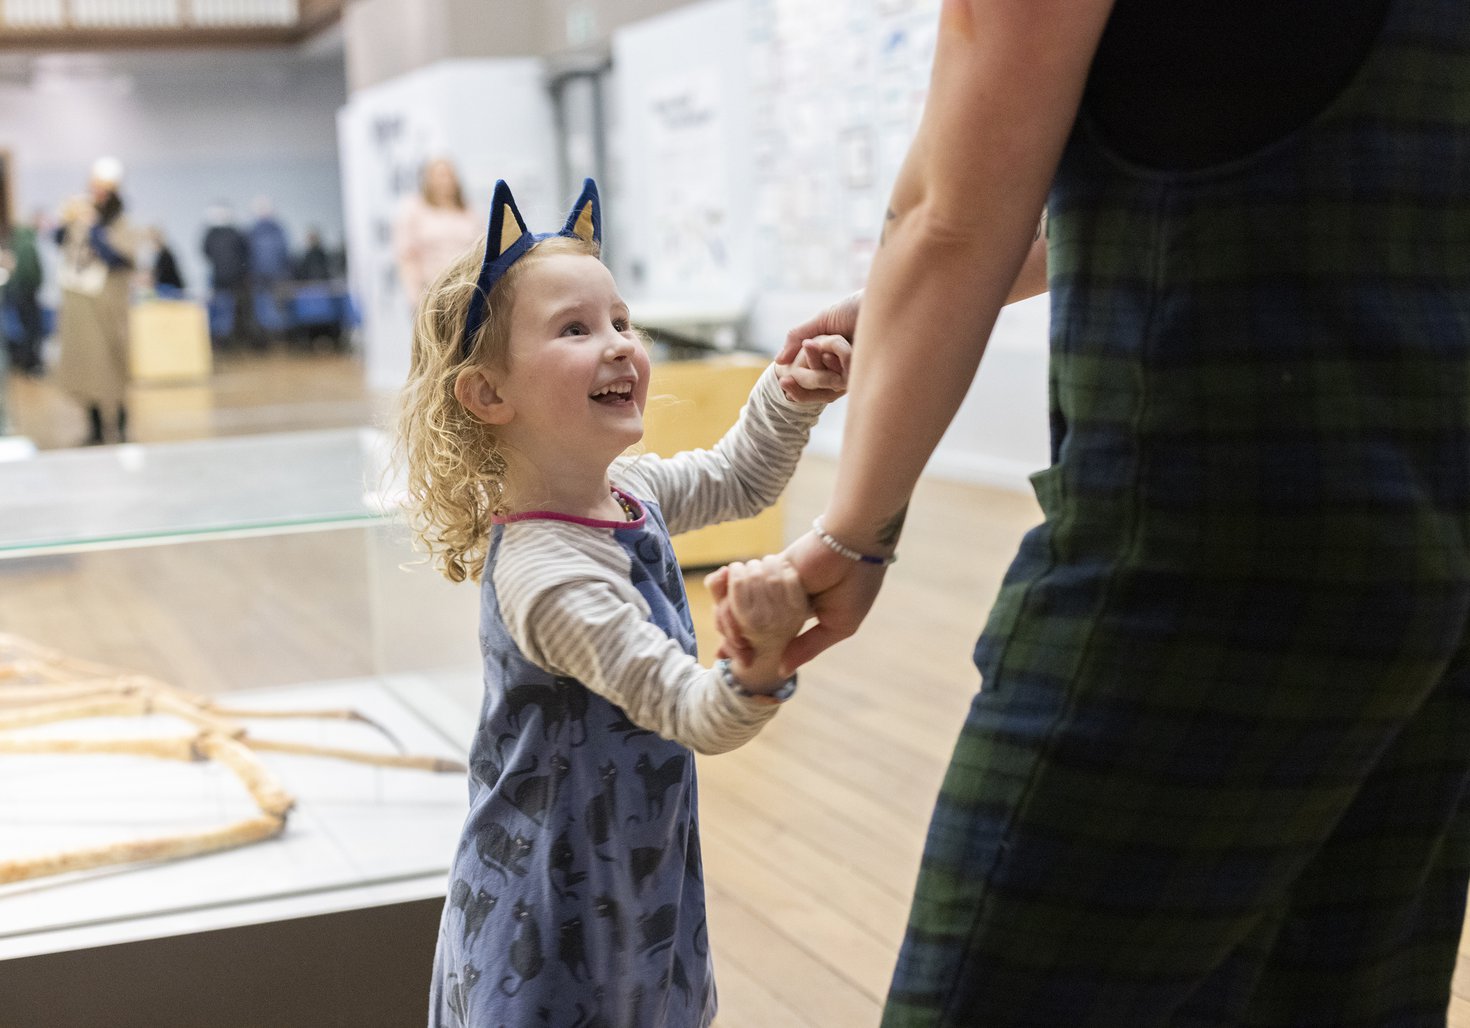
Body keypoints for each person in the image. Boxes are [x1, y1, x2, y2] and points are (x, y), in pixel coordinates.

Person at [741, 0, 1470, 1025]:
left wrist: (855, 530)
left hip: (1200, 553)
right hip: (1431, 551)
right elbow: (1213, 128)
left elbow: (951, 215)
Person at [396, 178, 848, 1027]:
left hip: (635, 869)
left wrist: (787, 394)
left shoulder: (625, 493)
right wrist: (752, 661)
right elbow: (691, 710)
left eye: (620, 321)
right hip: (551, 903)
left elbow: (736, 476)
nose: (616, 346)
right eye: (574, 329)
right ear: (489, 395)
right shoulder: (547, 575)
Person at [54, 156, 138, 445]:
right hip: (82, 307)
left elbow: (118, 257)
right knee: (86, 368)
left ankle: (120, 425)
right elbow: (60, 239)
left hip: (107, 309)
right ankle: (95, 427)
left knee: (111, 367)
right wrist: (70, 221)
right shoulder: (81, 216)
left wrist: (94, 229)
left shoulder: (118, 222)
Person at [393, 156, 481, 307]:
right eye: (440, 175)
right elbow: (407, 256)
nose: (445, 181)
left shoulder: (467, 211)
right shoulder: (414, 209)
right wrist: (415, 297)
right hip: (431, 293)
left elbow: (481, 249)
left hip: (467, 292)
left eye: (449, 175)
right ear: (428, 180)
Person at [202, 202, 254, 350]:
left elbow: (205, 252)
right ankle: (228, 341)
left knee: (222, 311)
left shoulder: (210, 234)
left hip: (220, 279)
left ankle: (222, 341)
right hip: (235, 279)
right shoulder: (235, 232)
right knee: (232, 312)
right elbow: (245, 252)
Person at [2, 210, 45, 375]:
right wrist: (35, 284)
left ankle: (24, 361)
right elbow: (28, 271)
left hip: (18, 290)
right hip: (26, 291)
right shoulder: (27, 243)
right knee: (32, 328)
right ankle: (30, 363)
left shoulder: (18, 240)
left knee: (25, 327)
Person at [148, 226, 185, 297]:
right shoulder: (159, 254)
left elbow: (160, 276)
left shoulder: (165, 255)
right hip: (167, 288)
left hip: (171, 289)